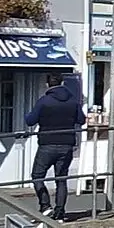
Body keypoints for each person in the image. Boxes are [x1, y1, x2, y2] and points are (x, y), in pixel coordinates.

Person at [27, 69, 88, 218]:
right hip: (67, 144)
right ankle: (60, 212)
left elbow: (30, 121)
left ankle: (45, 205)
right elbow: (81, 120)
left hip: (47, 144)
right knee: (61, 179)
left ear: (48, 84)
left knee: (37, 175)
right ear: (62, 83)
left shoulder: (44, 101)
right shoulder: (73, 101)